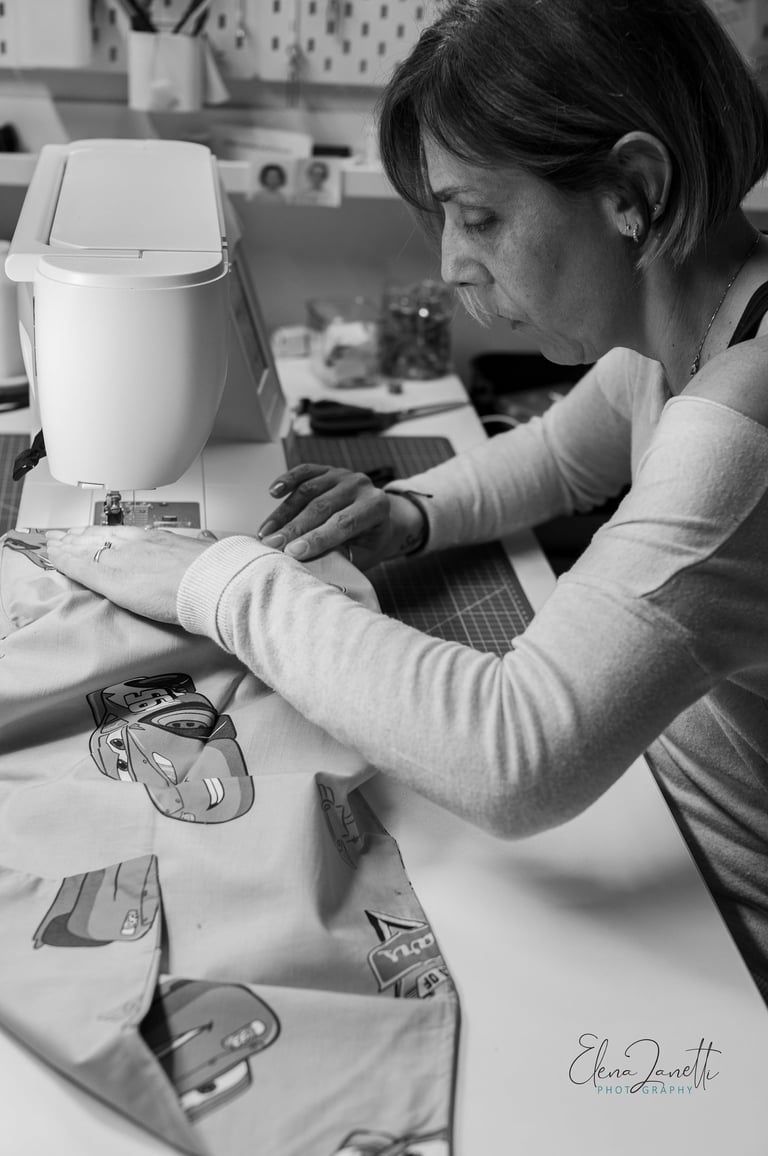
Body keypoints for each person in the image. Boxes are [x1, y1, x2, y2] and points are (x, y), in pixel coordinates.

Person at [47, 0, 768, 1003]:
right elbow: (564, 454)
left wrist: (219, 578)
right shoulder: (714, 311)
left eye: (481, 218)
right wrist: (405, 515)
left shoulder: (747, 414)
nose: (450, 266)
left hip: (718, 927)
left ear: (633, 191)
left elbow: (515, 752)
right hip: (650, 810)